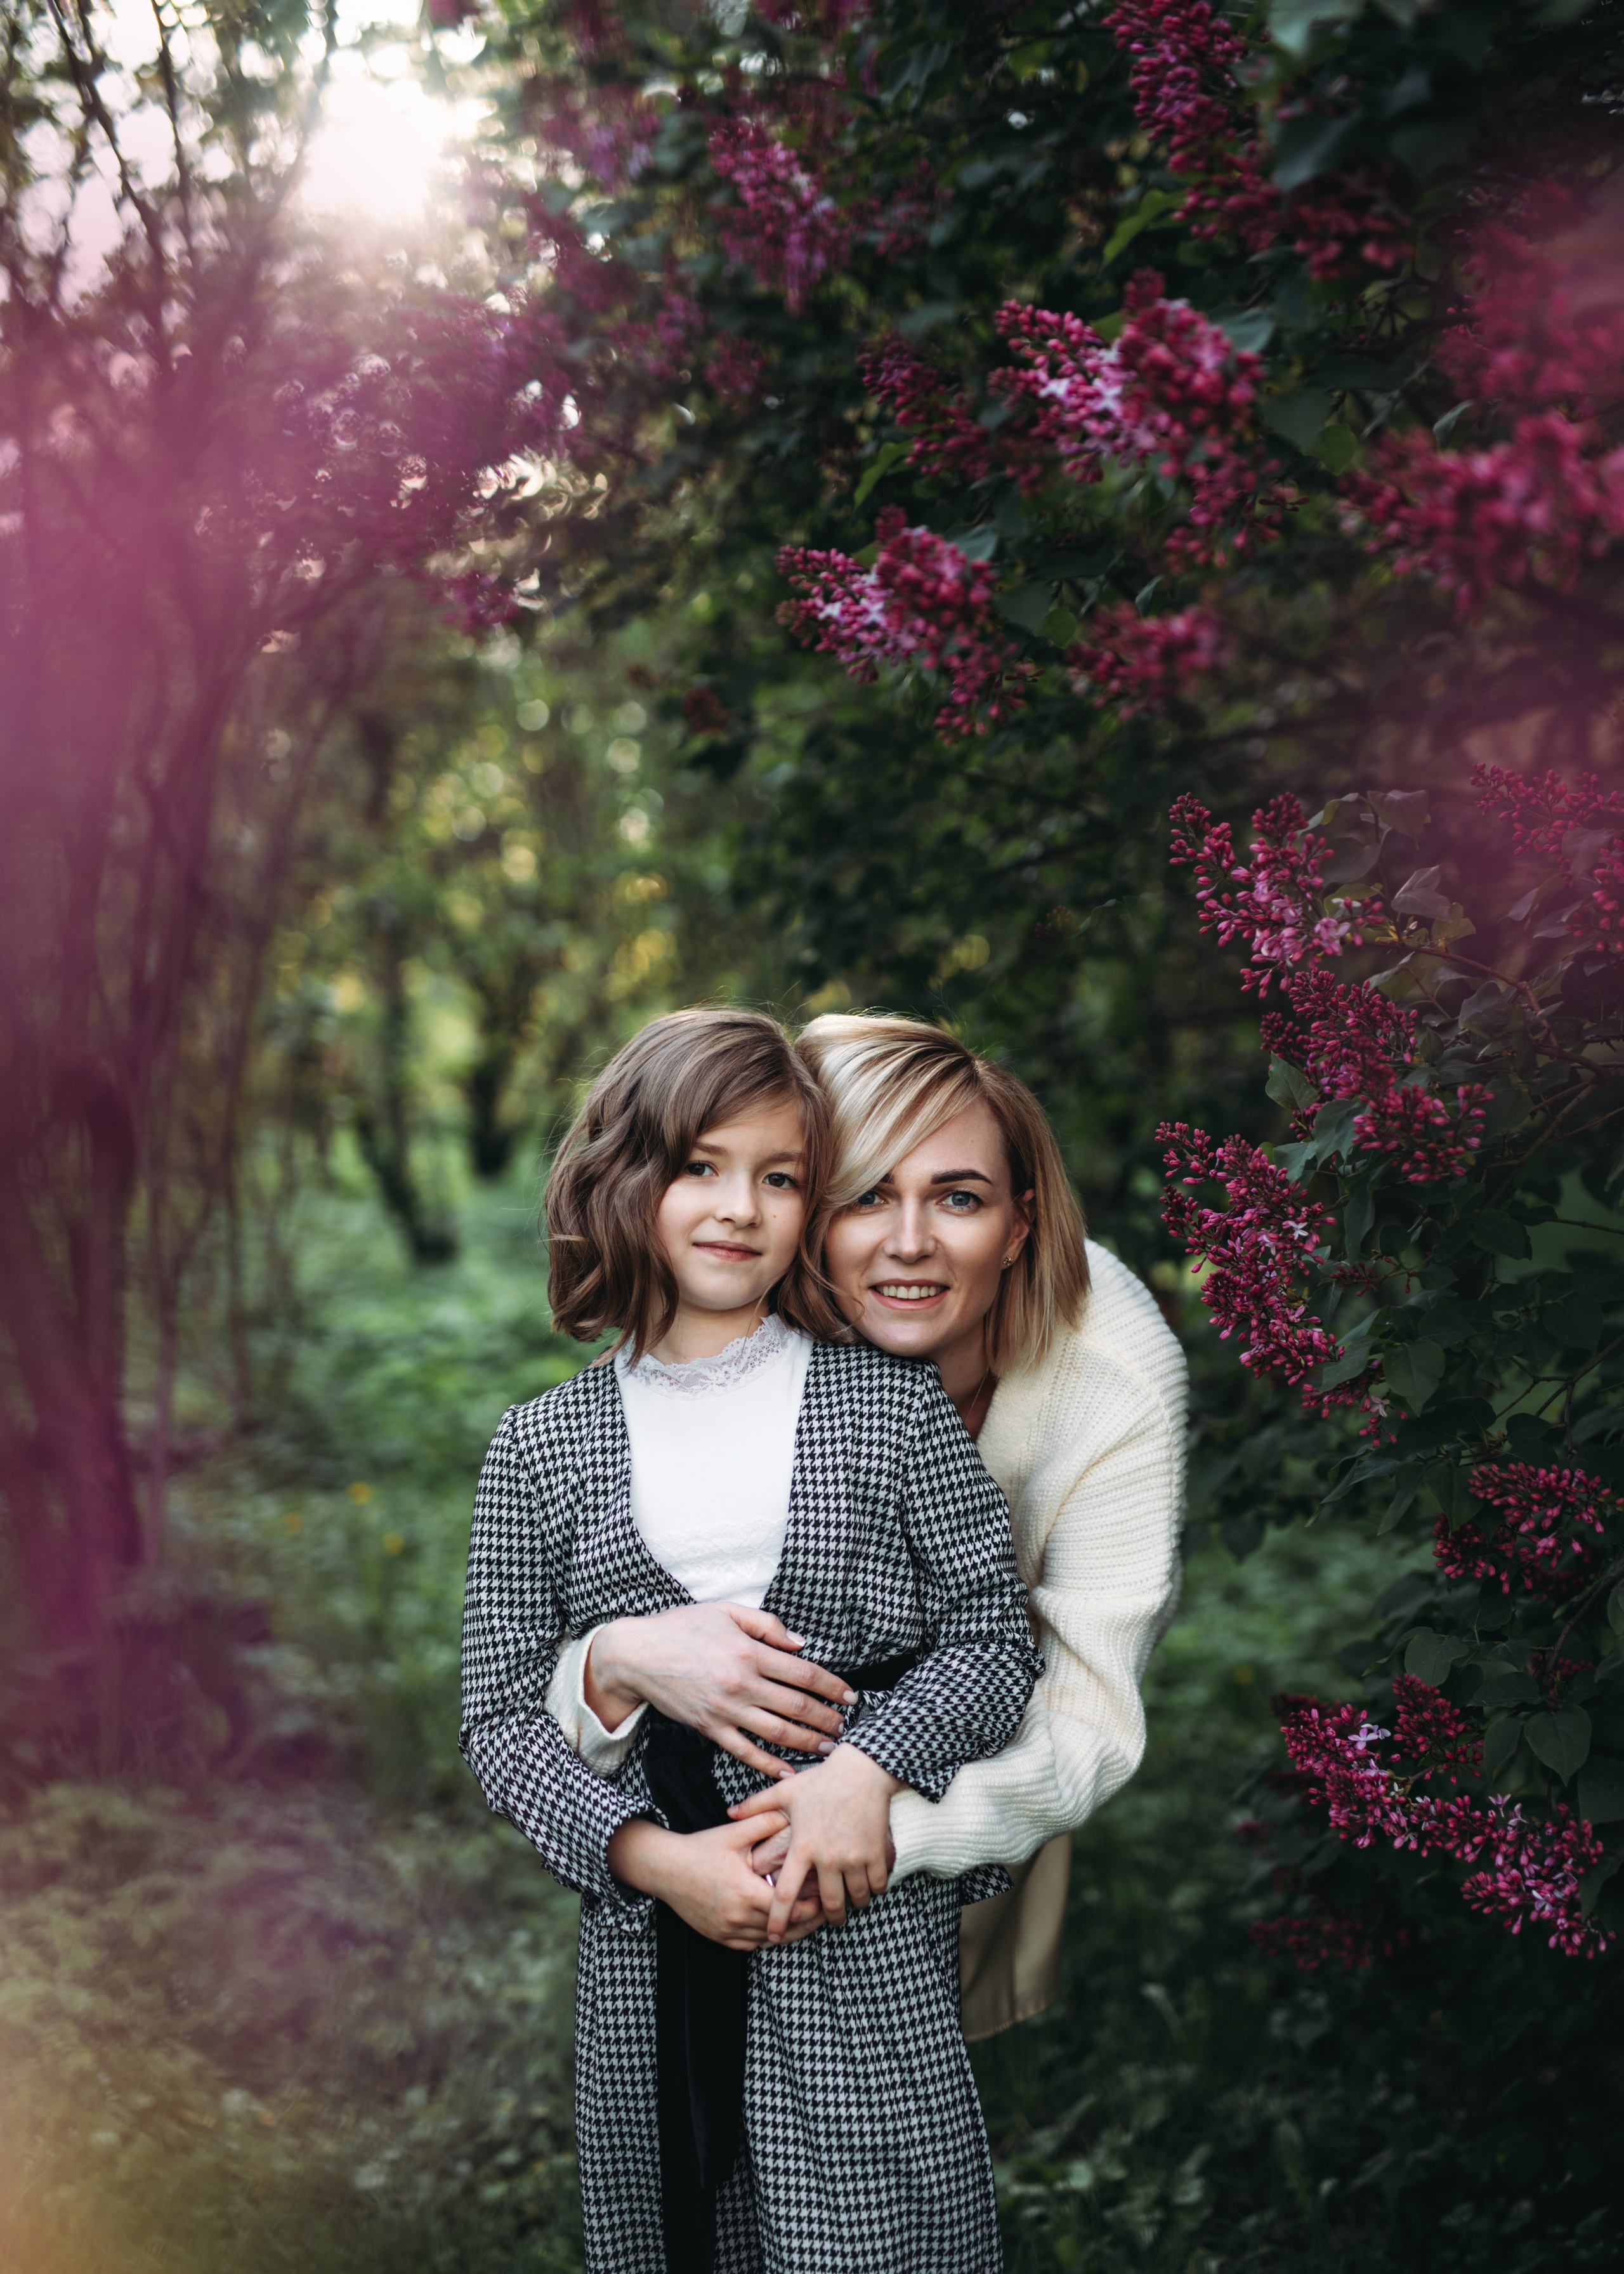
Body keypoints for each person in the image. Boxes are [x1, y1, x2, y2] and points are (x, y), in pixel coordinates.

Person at [460, 1008, 1040, 2274]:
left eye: (779, 1177)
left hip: (856, 1912)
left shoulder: (882, 1401)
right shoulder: (540, 1449)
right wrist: (650, 1858)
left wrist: (866, 1767)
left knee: (878, 2238)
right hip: (656, 1938)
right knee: (677, 2232)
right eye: (701, 1166)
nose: (740, 1207)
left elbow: (993, 1635)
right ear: (626, 1179)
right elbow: (498, 1717)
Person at [548, 1013, 1186, 2041]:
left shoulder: (1108, 1388)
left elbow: (1082, 1722)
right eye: (862, 1195)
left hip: (962, 1733)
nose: (908, 1243)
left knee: (924, 2044)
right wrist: (619, 1658)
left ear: (1019, 1224)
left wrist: (874, 1813)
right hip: (745, 1765)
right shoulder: (767, 1302)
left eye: (960, 1199)